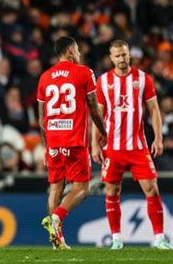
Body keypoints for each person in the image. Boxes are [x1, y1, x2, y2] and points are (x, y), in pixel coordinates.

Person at [92, 39, 171, 250]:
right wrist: (94, 144)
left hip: (138, 147)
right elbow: (98, 115)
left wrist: (158, 138)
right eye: (117, 56)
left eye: (124, 54)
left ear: (130, 55)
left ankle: (159, 237)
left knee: (152, 190)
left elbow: (154, 110)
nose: (121, 59)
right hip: (112, 148)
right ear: (111, 58)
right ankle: (116, 239)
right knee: (111, 191)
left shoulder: (143, 79)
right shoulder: (103, 81)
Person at [37, 36, 107, 249]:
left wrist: (46, 145)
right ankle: (56, 218)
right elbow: (94, 108)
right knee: (81, 188)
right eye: (77, 50)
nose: (79, 53)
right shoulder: (84, 72)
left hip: (53, 140)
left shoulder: (45, 77)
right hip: (74, 140)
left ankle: (57, 241)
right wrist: (103, 131)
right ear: (69, 51)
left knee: (56, 186)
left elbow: (41, 119)